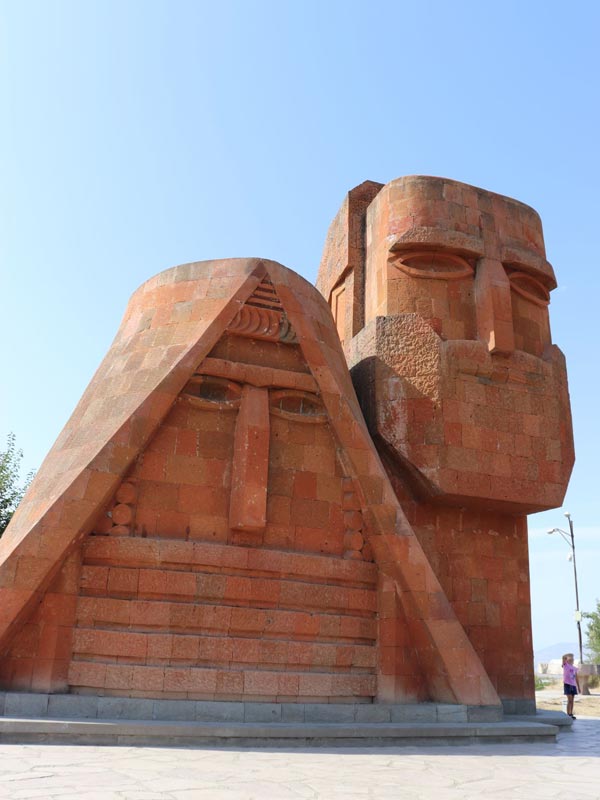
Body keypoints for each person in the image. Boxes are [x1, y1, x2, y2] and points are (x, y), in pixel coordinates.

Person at [562, 653, 580, 719]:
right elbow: (563, 657)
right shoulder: (565, 665)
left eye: (572, 659)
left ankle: (571, 714)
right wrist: (568, 655)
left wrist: (579, 687)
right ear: (567, 660)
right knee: (569, 699)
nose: (571, 660)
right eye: (570, 659)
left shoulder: (575, 668)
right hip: (567, 684)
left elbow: (576, 678)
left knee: (572, 700)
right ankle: (568, 714)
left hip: (573, 685)